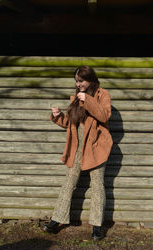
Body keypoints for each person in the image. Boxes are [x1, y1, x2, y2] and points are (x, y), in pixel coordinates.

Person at [43, 65, 113, 240]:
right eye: (76, 81)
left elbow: (104, 116)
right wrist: (58, 116)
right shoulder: (76, 98)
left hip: (96, 147)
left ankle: (97, 227)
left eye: (81, 81)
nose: (78, 84)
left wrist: (87, 100)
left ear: (90, 79)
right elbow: (70, 124)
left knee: (97, 186)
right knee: (69, 183)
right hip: (77, 147)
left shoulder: (102, 94)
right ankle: (56, 220)